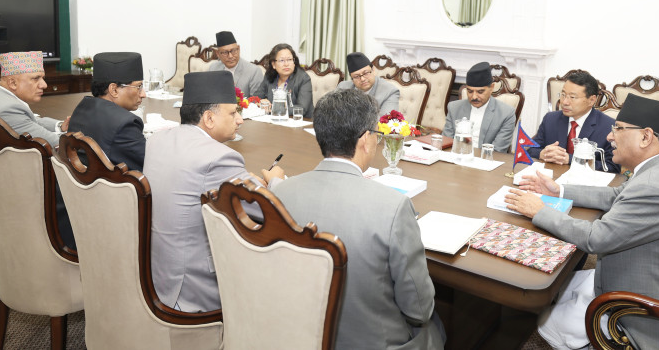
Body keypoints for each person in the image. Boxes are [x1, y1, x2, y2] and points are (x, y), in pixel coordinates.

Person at [505, 94, 659, 350]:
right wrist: (558, 191)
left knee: (547, 320)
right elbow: (617, 194)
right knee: (554, 288)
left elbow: (595, 238)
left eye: (618, 129)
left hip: (649, 308)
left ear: (646, 137)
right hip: (647, 273)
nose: (609, 136)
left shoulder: (655, 186)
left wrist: (540, 210)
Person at [271, 89, 445, 350]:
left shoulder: (280, 193)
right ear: (365, 139)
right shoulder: (393, 207)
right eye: (375, 134)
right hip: (373, 343)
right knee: (437, 325)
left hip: (301, 334)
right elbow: (419, 310)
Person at [144, 71, 284, 312]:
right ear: (209, 118)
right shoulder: (218, 157)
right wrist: (275, 182)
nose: (240, 120)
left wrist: (245, 178)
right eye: (233, 113)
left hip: (156, 272)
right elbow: (266, 209)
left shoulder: (157, 140)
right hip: (191, 287)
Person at [0, 51, 74, 249]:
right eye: (36, 78)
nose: (44, 85)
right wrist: (84, 132)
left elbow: (32, 119)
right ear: (13, 83)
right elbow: (52, 143)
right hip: (5, 197)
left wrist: (60, 125)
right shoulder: (8, 110)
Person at [527, 70, 619, 173]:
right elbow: (531, 149)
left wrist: (572, 159)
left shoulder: (608, 127)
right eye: (563, 94)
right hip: (551, 177)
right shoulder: (550, 119)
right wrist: (543, 154)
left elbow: (613, 167)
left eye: (572, 97)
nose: (565, 102)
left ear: (592, 100)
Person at [68, 52, 146, 172]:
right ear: (114, 90)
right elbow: (153, 164)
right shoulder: (125, 124)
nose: (143, 94)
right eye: (139, 87)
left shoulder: (81, 109)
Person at [441, 61, 516, 152]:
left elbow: (497, 151)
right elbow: (446, 143)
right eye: (470, 91)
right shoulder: (454, 108)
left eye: (480, 92)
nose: (474, 97)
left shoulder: (506, 113)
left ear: (491, 88)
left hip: (486, 159)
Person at [256, 43, 313, 117]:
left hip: (300, 121)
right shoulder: (269, 76)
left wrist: (274, 108)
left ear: (294, 62)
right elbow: (254, 98)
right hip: (274, 120)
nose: (286, 64)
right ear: (273, 64)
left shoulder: (303, 78)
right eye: (282, 60)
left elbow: (302, 108)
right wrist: (261, 102)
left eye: (289, 59)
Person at [208, 31, 264, 98]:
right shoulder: (213, 68)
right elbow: (209, 94)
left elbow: (256, 100)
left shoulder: (254, 71)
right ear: (218, 53)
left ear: (238, 49)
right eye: (225, 52)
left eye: (233, 50)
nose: (230, 56)